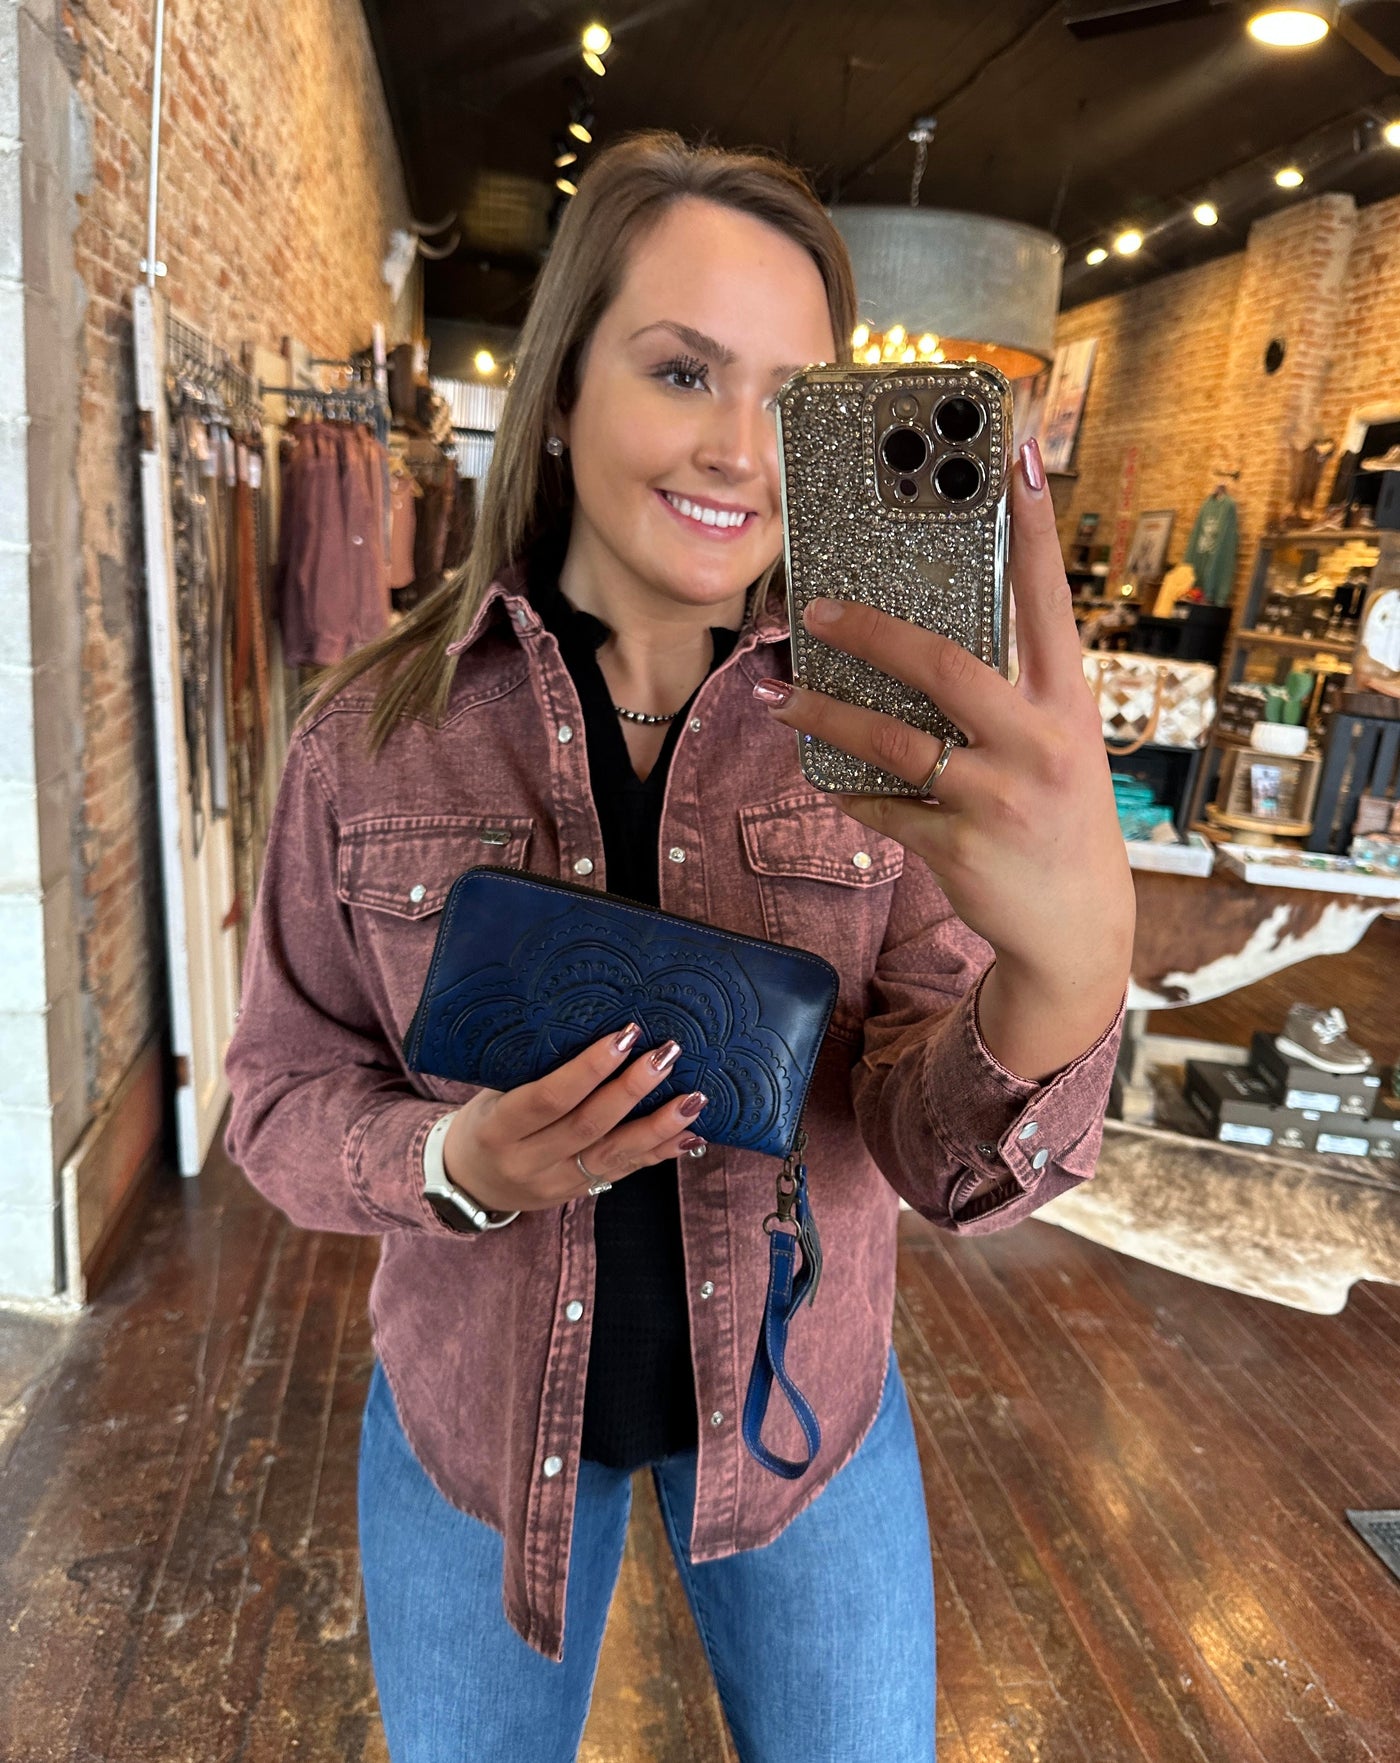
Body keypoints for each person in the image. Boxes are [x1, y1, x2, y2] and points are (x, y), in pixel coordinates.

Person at [225, 131, 1134, 1763]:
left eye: (797, 396)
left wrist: (1063, 984)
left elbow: (936, 1157)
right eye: (682, 369)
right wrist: (450, 1162)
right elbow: (281, 1098)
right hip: (477, 1432)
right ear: (560, 392)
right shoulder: (370, 740)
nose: (746, 449)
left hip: (800, 1433)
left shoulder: (890, 741)